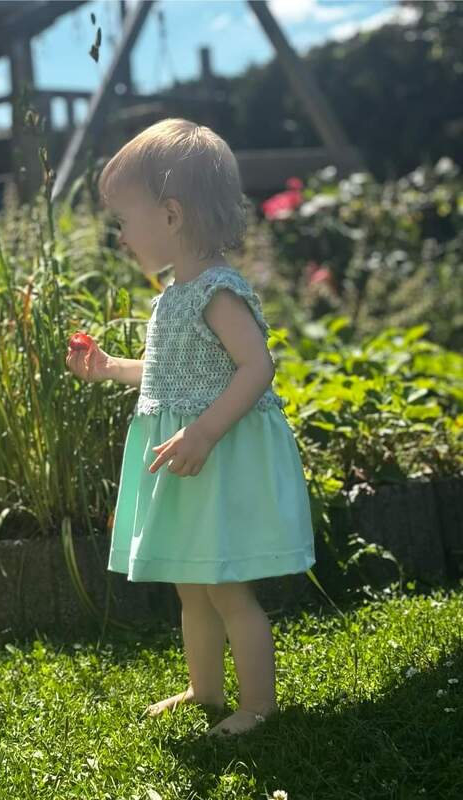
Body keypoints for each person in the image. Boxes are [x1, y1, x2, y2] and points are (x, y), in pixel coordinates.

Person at [66, 118, 315, 738]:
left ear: (171, 215)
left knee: (226, 589)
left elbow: (257, 367)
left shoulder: (217, 292)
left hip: (215, 454)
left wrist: (203, 432)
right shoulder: (174, 294)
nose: (121, 236)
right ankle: (204, 689)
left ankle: (257, 705)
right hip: (186, 458)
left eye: (125, 220)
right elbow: (168, 372)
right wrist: (111, 368)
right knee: (192, 585)